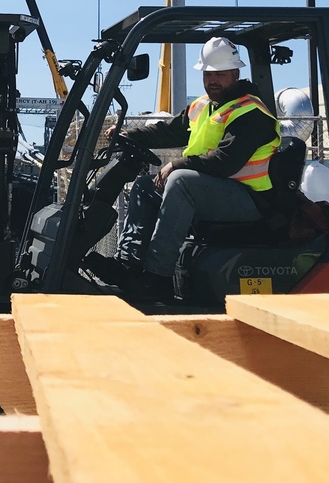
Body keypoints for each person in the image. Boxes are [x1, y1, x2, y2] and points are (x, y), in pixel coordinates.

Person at [84, 36, 280, 303]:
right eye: (208, 74)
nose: (212, 80)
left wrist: (177, 164)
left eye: (220, 74)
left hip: (247, 199)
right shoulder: (203, 106)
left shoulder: (250, 112)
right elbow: (169, 132)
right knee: (145, 186)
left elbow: (225, 162)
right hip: (215, 192)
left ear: (235, 73)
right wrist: (131, 134)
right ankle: (128, 263)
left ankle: (156, 278)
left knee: (180, 181)